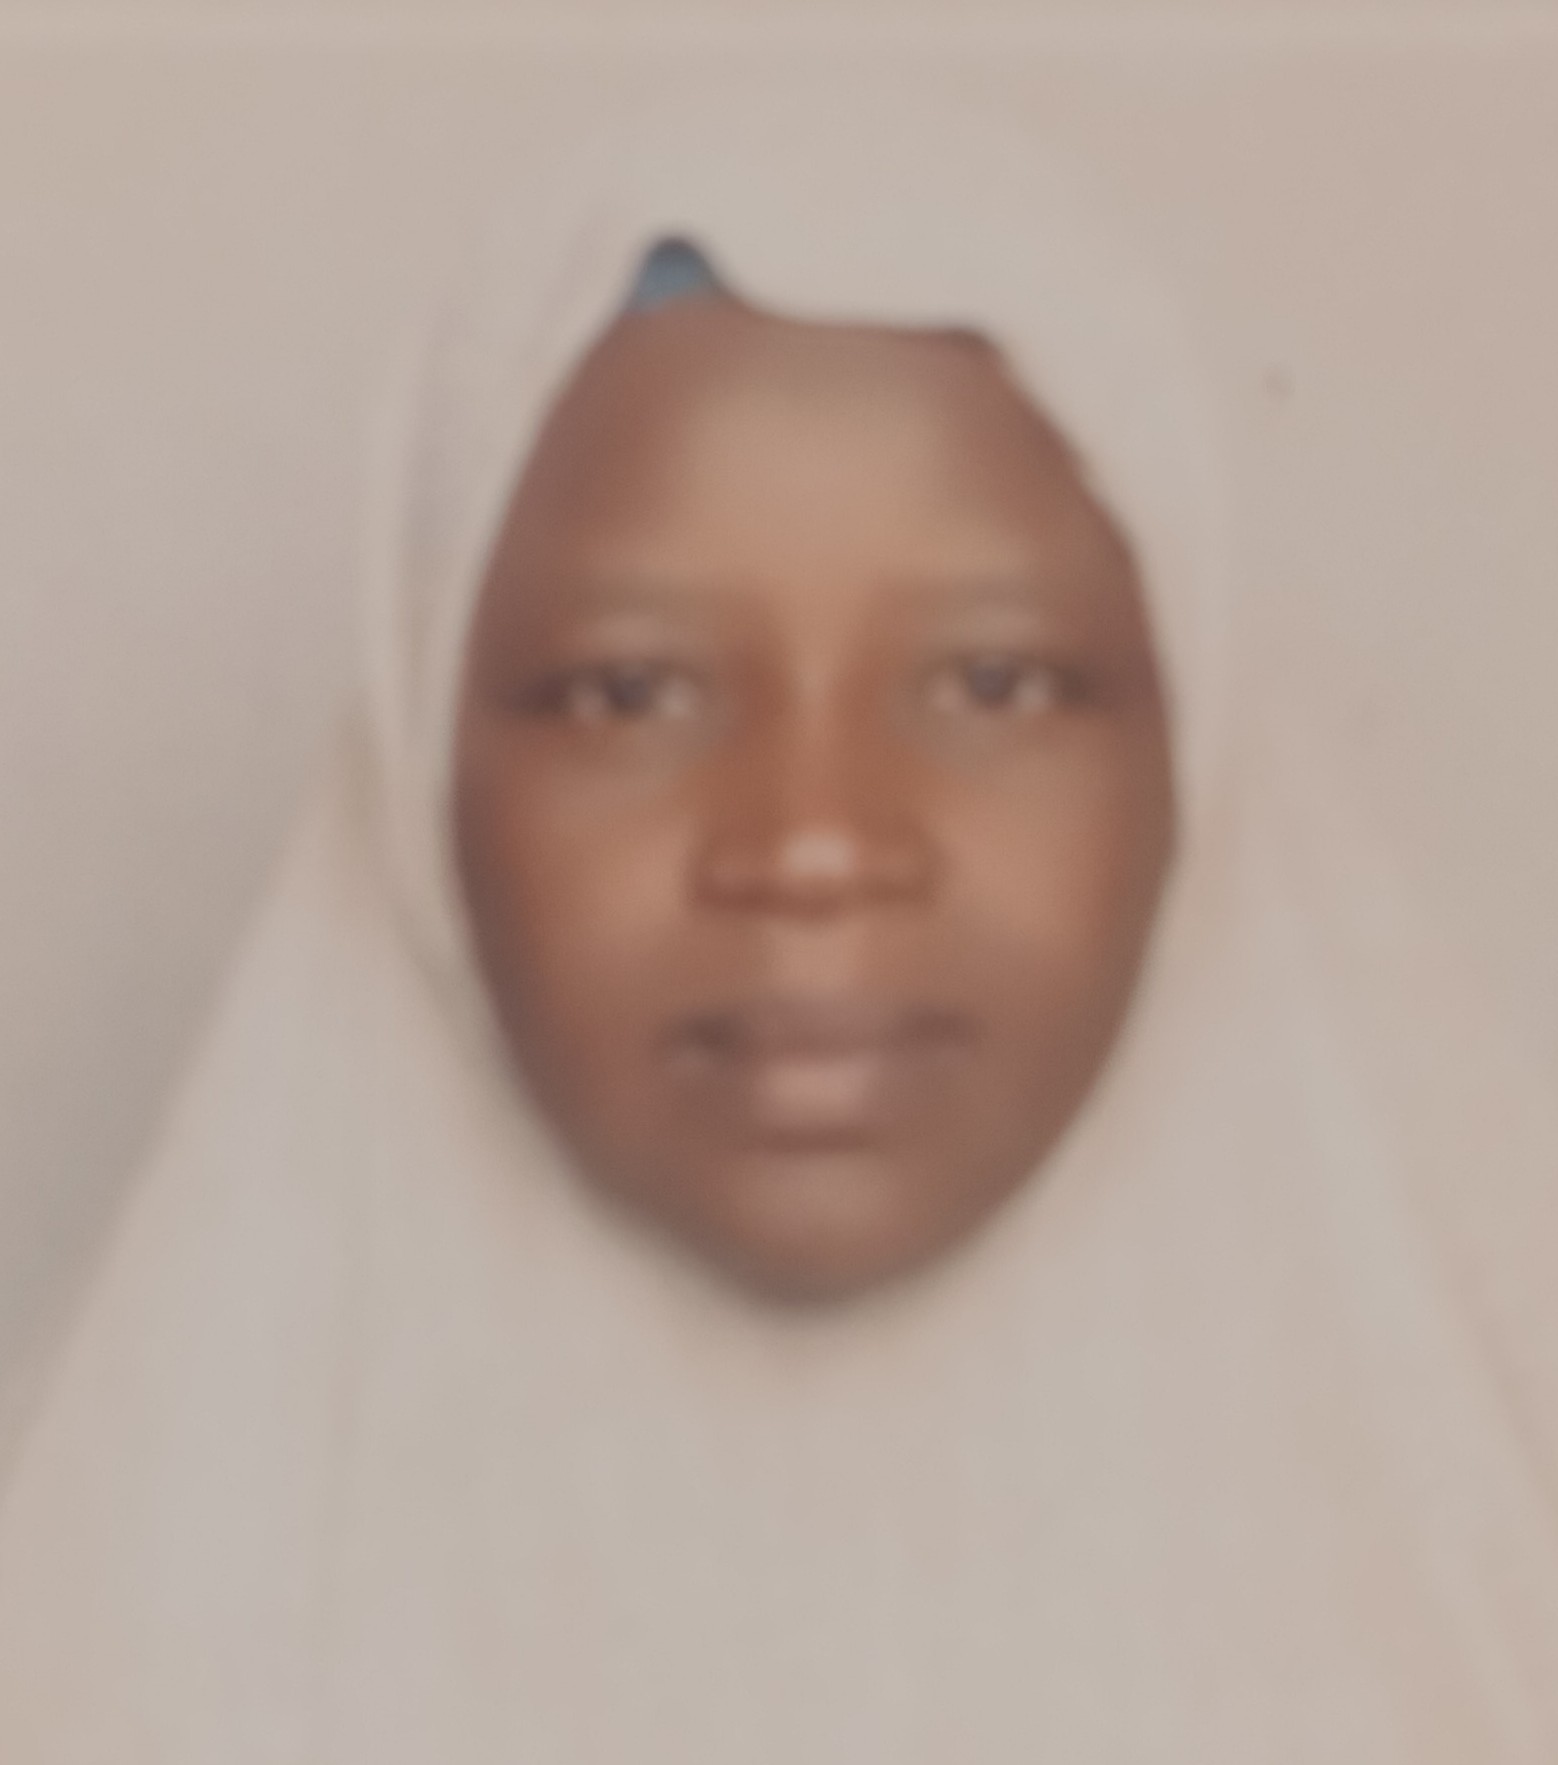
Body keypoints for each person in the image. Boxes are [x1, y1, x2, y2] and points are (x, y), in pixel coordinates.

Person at [0, 74, 1555, 1762]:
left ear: (1192, 756)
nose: (813, 842)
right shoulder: (114, 1664)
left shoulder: (1492, 1596)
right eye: (628, 692)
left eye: (993, 681)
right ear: (429, 777)